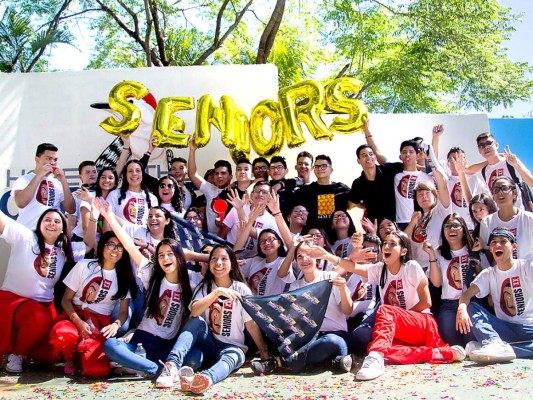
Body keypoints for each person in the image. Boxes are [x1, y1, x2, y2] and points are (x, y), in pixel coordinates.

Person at [313, 231, 465, 380]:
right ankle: (438, 353)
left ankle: (376, 358)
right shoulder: (379, 269)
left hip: (422, 323)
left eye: (393, 244)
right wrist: (326, 255)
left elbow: (427, 302)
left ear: (403, 251)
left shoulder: (411, 266)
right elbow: (352, 267)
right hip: (396, 327)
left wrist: (398, 318)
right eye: (385, 243)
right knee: (368, 342)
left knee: (385, 311)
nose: (386, 247)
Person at [155, 245, 271, 393]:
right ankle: (171, 365)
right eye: (214, 259)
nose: (218, 263)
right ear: (209, 264)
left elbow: (251, 325)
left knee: (236, 356)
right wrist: (216, 293)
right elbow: (195, 311)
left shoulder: (241, 288)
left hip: (231, 347)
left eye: (224, 259)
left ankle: (205, 379)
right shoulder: (205, 287)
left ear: (232, 263)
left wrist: (263, 350)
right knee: (195, 321)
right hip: (209, 344)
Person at [102, 230, 200, 377]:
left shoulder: (190, 287)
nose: (165, 258)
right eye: (161, 255)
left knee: (196, 356)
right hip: (141, 342)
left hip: (166, 347)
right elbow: (129, 246)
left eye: (170, 254)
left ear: (179, 256)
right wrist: (108, 214)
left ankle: (139, 368)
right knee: (110, 346)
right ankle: (157, 369)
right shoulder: (152, 276)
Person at [0, 208, 86, 373]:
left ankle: (24, 350)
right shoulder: (25, 237)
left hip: (44, 307)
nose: (52, 224)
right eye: (47, 219)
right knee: (39, 317)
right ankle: (17, 354)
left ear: (62, 229)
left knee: (49, 356)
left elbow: (89, 243)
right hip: (14, 302)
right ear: (40, 223)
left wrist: (92, 215)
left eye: (57, 221)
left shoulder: (65, 249)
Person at [49, 230, 137, 377]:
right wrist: (78, 322)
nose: (115, 250)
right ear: (102, 247)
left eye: (120, 246)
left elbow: (123, 312)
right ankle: (71, 359)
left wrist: (115, 325)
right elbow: (65, 299)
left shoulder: (124, 277)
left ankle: (84, 354)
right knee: (63, 335)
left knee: (97, 371)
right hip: (74, 316)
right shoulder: (84, 265)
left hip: (99, 325)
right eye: (111, 245)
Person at [456, 228, 533, 364]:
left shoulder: (527, 266)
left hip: (529, 327)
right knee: (471, 306)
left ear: (514, 246)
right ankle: (493, 342)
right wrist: (461, 308)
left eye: (503, 242)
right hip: (503, 328)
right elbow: (467, 294)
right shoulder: (489, 273)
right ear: (490, 249)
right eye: (494, 242)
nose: (498, 245)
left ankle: (498, 348)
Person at [276, 241, 353, 373]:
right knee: (284, 341)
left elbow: (348, 310)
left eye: (308, 255)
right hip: (309, 339)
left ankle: (282, 362)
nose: (304, 259)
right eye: (299, 256)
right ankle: (333, 362)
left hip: (334, 336)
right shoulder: (295, 286)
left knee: (332, 341)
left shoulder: (331, 277)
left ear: (317, 257)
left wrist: (342, 290)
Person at [423, 214, 480, 346]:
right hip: (449, 305)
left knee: (471, 340)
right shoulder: (437, 253)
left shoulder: (474, 249)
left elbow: (482, 279)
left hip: (472, 303)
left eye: (455, 225)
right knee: (452, 341)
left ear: (463, 229)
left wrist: (475, 256)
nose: (451, 229)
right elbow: (436, 283)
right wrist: (431, 256)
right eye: (447, 226)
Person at [348, 120, 403, 222]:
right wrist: (365, 206)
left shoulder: (388, 170)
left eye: (370, 154)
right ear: (358, 161)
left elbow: (410, 166)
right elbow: (352, 204)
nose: (368, 157)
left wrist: (367, 131)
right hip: (374, 226)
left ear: (374, 156)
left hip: (394, 224)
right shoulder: (358, 183)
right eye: (364, 155)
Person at [12, 143, 76, 229]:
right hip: (29, 231)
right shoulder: (24, 180)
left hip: (51, 233)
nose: (52, 163)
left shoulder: (57, 183)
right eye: (49, 159)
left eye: (55, 160)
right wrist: (39, 175)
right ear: (37, 159)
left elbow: (71, 209)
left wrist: (63, 181)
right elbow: (21, 203)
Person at [479, 177, 533, 261]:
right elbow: (487, 253)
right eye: (496, 190)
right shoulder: (487, 222)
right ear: (492, 196)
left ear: (514, 193)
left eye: (504, 188)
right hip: (501, 272)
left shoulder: (529, 219)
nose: (500, 192)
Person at [292, 155, 351, 232]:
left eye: (324, 166)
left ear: (331, 169)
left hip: (338, 236)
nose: (320, 169)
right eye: (317, 166)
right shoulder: (305, 191)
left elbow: (357, 202)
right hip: (315, 236)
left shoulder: (342, 189)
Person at [474, 133, 533, 208]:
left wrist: (516, 165)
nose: (486, 147)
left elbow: (531, 182)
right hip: (499, 217)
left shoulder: (510, 162)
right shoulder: (484, 171)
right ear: (479, 150)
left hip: (518, 214)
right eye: (482, 145)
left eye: (489, 143)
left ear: (496, 145)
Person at [188, 138, 233, 234]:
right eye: (216, 173)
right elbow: (192, 174)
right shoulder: (209, 189)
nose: (219, 176)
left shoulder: (236, 192)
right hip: (212, 240)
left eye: (223, 173)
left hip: (231, 242)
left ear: (230, 177)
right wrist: (192, 150)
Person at [107, 159, 158, 227]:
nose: (134, 174)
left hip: (144, 237)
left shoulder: (152, 198)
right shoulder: (114, 195)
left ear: (143, 174)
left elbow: (154, 225)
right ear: (125, 175)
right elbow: (108, 221)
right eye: (130, 171)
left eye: (138, 171)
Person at [69, 161, 98, 242]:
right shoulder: (75, 195)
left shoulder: (103, 192)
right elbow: (71, 223)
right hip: (80, 239)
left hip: (100, 240)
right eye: (87, 172)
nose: (92, 174)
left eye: (94, 172)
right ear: (80, 177)